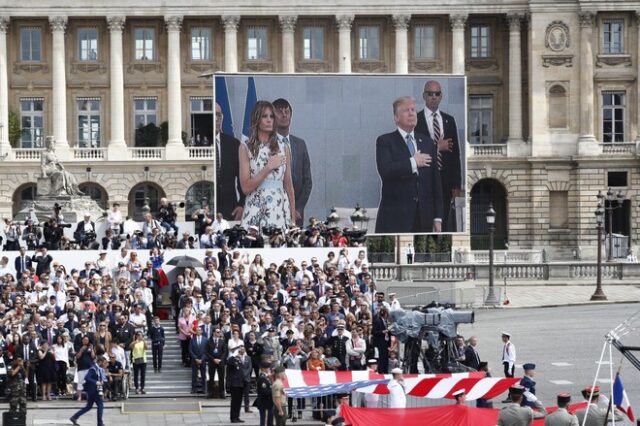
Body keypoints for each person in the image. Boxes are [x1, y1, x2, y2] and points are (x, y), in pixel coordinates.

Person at [375, 96, 443, 233]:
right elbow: (386, 171)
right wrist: (413, 162)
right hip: (395, 219)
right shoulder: (385, 141)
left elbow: (436, 182)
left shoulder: (428, 143)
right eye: (406, 110)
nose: (412, 113)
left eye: (413, 110)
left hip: (424, 218)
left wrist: (438, 217)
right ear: (396, 118)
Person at [239, 100, 296, 230]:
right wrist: (268, 167)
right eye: (265, 116)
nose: (269, 120)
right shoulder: (245, 148)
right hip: (256, 208)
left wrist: (292, 219)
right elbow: (246, 187)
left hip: (280, 209)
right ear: (256, 119)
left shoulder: (283, 147)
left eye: (271, 116)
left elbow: (289, 185)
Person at [415, 79, 462, 232]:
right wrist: (437, 147)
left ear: (441, 96)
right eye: (430, 94)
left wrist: (456, 185)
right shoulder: (416, 120)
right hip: (425, 179)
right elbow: (415, 150)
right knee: (425, 219)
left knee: (444, 220)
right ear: (424, 96)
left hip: (445, 179)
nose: (434, 97)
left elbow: (456, 155)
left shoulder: (449, 120)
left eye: (437, 93)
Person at [273, 98, 312, 227]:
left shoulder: (300, 144)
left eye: (287, 111)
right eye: (279, 112)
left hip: (296, 213)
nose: (284, 115)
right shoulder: (266, 145)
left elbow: (307, 181)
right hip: (273, 209)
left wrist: (298, 208)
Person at [215, 102, 246, 221]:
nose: (217, 119)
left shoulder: (233, 144)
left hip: (230, 209)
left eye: (219, 115)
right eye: (213, 115)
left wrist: (242, 204)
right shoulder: (198, 144)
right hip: (206, 208)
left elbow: (241, 178)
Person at [70, 356, 108, 426]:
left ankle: (74, 417)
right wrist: (96, 382)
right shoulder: (93, 369)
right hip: (93, 390)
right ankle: (100, 423)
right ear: (100, 362)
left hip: (94, 390)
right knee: (100, 405)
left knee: (89, 406)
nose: (105, 364)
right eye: (104, 363)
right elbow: (87, 377)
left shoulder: (98, 369)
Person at [207, 327, 228, 398]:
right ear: (214, 333)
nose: (219, 333)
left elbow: (224, 352)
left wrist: (220, 359)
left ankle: (222, 392)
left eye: (219, 332)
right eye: (218, 332)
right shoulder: (209, 341)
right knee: (211, 377)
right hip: (212, 361)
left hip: (220, 362)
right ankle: (210, 392)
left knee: (221, 377)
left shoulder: (222, 341)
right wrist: (213, 359)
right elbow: (207, 352)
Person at [227, 347, 247, 423]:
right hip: (234, 384)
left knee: (239, 402)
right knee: (234, 401)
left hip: (240, 384)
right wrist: (234, 355)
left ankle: (237, 416)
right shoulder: (232, 360)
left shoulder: (240, 361)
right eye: (238, 352)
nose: (240, 354)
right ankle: (233, 417)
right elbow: (229, 362)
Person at [254, 361, 273, 426]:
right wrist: (274, 391)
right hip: (265, 404)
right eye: (267, 368)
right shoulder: (263, 379)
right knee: (265, 422)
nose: (269, 369)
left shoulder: (266, 377)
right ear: (263, 369)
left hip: (268, 403)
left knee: (268, 421)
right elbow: (265, 392)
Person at [190, 326, 208, 394]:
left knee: (203, 375)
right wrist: (195, 358)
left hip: (202, 360)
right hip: (195, 360)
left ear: (201, 331)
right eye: (197, 330)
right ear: (195, 332)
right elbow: (190, 350)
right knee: (194, 375)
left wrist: (202, 359)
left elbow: (206, 350)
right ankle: (193, 389)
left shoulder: (205, 340)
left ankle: (204, 389)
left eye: (199, 330)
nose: (198, 331)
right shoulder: (192, 339)